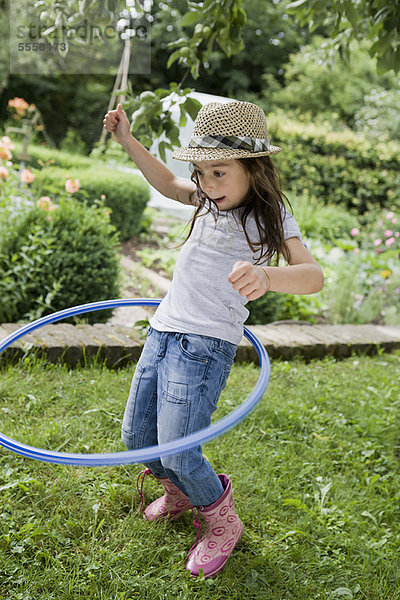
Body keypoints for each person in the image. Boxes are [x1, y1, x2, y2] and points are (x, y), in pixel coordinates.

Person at [102, 100, 324, 578]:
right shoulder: (204, 200)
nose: (206, 183)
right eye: (200, 172)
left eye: (219, 172)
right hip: (162, 331)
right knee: (137, 437)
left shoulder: (270, 217)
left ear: (254, 167)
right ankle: (179, 491)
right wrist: (126, 140)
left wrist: (267, 277)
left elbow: (312, 277)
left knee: (180, 448)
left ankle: (222, 522)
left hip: (203, 347)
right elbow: (165, 181)